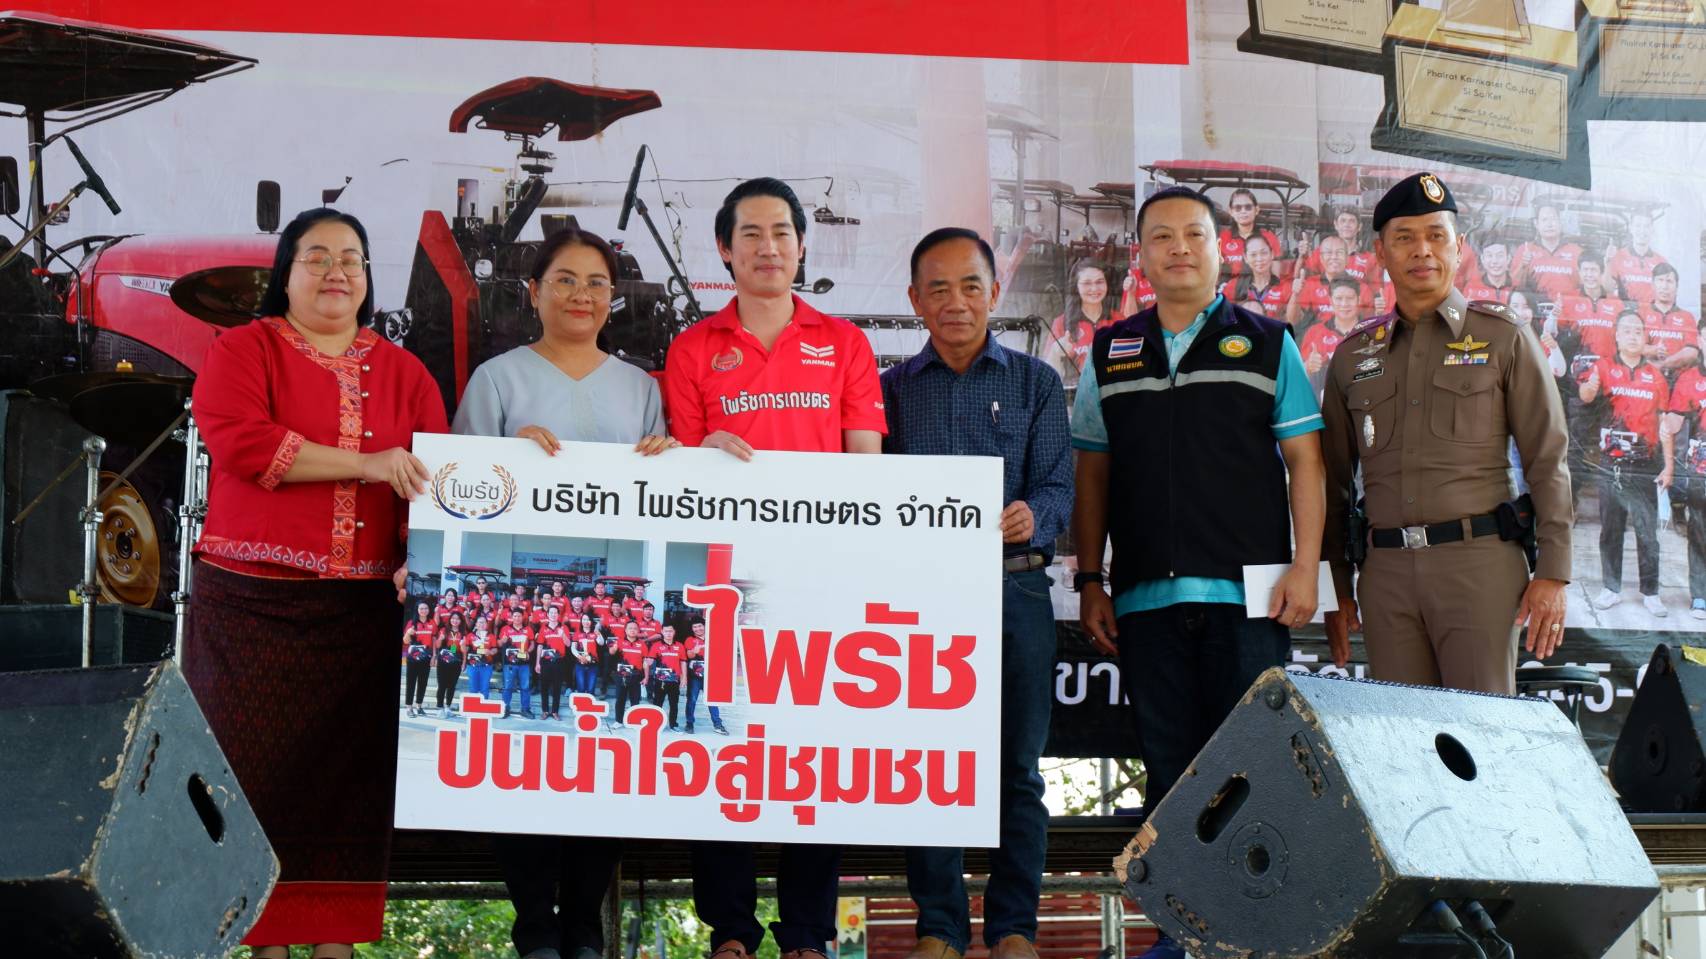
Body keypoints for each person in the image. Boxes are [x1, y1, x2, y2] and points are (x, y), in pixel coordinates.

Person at [184, 207, 448, 956]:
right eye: (318, 256)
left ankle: (335, 945)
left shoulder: (406, 372)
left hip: (363, 614)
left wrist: (419, 557)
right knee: (249, 784)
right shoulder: (243, 348)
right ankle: (261, 942)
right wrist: (367, 463)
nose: (337, 271)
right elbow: (244, 443)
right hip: (251, 606)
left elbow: (434, 481)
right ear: (286, 273)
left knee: (348, 791)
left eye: (352, 258)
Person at [1071, 187, 1324, 959]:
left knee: (1254, 774)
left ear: (1221, 250)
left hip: (1251, 601)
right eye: (1162, 237)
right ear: (1140, 256)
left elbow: (1306, 461)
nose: (1179, 247)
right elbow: (1092, 472)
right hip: (1145, 600)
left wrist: (1306, 566)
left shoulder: (1270, 342)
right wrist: (1090, 578)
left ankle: (1255, 937)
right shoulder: (1110, 350)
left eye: (1194, 235)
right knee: (1170, 777)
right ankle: (1182, 937)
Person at [664, 177, 884, 959]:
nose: (768, 247)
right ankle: (730, 929)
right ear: (724, 249)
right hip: (728, 580)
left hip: (819, 578)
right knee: (722, 738)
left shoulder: (845, 343)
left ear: (801, 244)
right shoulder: (692, 348)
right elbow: (679, 471)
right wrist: (702, 453)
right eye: (751, 234)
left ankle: (806, 933)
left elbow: (867, 469)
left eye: (782, 232)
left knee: (811, 751)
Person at [451, 225, 672, 959]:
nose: (582, 295)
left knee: (603, 755)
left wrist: (669, 457)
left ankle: (583, 921)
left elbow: (667, 498)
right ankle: (534, 924)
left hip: (603, 595)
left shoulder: (643, 389)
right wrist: (507, 459)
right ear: (533, 292)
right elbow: (460, 487)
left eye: (596, 283)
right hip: (524, 579)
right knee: (518, 760)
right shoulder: (497, 380)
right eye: (565, 280)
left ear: (614, 298)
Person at [881, 227, 1072, 959]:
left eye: (970, 286)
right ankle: (939, 926)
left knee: (1017, 770)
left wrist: (1034, 516)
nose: (955, 302)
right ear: (914, 300)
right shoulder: (892, 390)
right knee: (929, 760)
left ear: (994, 293)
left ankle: (1014, 928)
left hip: (1015, 589)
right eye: (938, 288)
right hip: (921, 597)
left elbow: (1057, 486)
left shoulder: (1035, 383)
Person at [1321, 172, 1573, 696]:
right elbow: (1333, 485)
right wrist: (1337, 586)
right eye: (1404, 238)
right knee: (1404, 736)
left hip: (1479, 568)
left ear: (1459, 247)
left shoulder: (1503, 337)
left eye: (1436, 236)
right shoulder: (1352, 356)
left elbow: (1548, 458)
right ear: (1380, 252)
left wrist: (1554, 571)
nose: (1422, 251)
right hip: (1385, 576)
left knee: (1482, 733)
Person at [1582, 311, 1672, 617]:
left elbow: (1664, 423)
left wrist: (1668, 465)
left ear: (1645, 337)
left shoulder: (1656, 377)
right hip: (1611, 464)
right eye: (1627, 331)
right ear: (1617, 336)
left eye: (1638, 331)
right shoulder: (1604, 367)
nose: (1633, 336)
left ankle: (1651, 592)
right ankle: (1611, 588)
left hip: (1645, 463)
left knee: (1647, 532)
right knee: (1611, 529)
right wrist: (1591, 386)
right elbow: (1585, 396)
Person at [1664, 351, 1706, 619]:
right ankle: (1700, 596)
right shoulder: (1689, 378)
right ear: (1700, 341)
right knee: (1699, 532)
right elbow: (1672, 423)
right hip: (1701, 470)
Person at [1046, 260, 1122, 382]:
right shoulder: (1061, 323)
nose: (1094, 288)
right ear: (1076, 287)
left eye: (1099, 282)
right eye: (1087, 283)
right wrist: (1056, 352)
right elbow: (1048, 377)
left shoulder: (1120, 321)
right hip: (1074, 392)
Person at [1286, 235, 1374, 328]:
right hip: (1316, 336)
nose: (1334, 257)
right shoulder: (1310, 284)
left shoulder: (1362, 288)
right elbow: (1293, 321)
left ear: (1347, 258)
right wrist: (1295, 295)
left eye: (1339, 252)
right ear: (1321, 258)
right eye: (1328, 253)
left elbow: (1369, 325)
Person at [1299, 277, 1366, 394]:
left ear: (1359, 300)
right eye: (1339, 298)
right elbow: (1298, 378)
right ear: (1330, 300)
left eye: (1350, 298)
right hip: (1324, 400)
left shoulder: (1371, 331)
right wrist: (1308, 366)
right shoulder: (1315, 332)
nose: (1344, 304)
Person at [1513, 203, 1583, 301]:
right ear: (1536, 224)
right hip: (1535, 307)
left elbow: (1586, 285)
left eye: (1553, 219)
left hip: (1569, 306)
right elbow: (1513, 285)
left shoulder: (1576, 251)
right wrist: (1523, 265)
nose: (1549, 224)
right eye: (1544, 220)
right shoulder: (1525, 249)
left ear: (1560, 222)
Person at [1641, 263, 1698, 375]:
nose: (1664, 286)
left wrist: (1662, 364)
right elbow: (1630, 347)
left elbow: (1692, 352)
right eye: (1660, 280)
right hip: (1647, 376)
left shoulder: (1687, 317)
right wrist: (1653, 350)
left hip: (1679, 378)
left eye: (1669, 281)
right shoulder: (1641, 313)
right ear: (1652, 285)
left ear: (1677, 287)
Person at [1606, 210, 1668, 307]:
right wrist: (1608, 261)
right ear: (1631, 228)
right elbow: (1607, 289)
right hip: (1625, 313)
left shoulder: (1661, 261)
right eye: (1638, 225)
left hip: (1651, 313)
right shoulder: (1618, 256)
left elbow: (1666, 294)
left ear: (1652, 229)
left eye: (1646, 226)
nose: (1642, 231)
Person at [1221, 233, 1290, 319]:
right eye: (1253, 255)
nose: (1259, 259)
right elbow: (1222, 316)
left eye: (1264, 253)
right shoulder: (1233, 286)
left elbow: (1292, 321)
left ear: (1272, 254)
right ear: (1246, 258)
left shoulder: (1285, 287)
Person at [1218, 188, 1280, 279]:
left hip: (1260, 286)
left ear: (1256, 210)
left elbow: (1276, 277)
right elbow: (1215, 273)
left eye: (1248, 207)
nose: (1243, 211)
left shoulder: (1269, 238)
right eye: (1238, 208)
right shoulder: (1222, 238)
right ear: (1231, 212)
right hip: (1228, 286)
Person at [684, 618, 728, 735]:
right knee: (692, 700)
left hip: (710, 674)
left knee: (712, 700)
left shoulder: (713, 637)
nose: (697, 629)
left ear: (704, 626)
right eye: (695, 627)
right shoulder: (690, 639)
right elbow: (689, 655)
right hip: (695, 675)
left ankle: (717, 724)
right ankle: (689, 724)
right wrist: (695, 651)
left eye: (700, 626)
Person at [499, 606, 536, 720]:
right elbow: (500, 643)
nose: (517, 618)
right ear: (511, 617)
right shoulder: (505, 629)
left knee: (525, 687)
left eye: (519, 616)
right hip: (509, 663)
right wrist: (503, 641)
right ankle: (505, 708)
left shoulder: (528, 629)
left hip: (524, 663)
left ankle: (525, 709)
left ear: (522, 617)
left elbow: (532, 644)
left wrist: (528, 652)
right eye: (515, 616)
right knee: (508, 687)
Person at [536, 605, 572, 721]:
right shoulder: (543, 628)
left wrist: (563, 635)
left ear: (558, 614)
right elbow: (540, 645)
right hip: (546, 661)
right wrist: (537, 663)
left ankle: (555, 711)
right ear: (547, 614)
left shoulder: (564, 627)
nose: (553, 615)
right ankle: (545, 711)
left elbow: (568, 644)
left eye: (555, 613)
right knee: (544, 687)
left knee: (557, 687)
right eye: (551, 612)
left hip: (559, 661)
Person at [648, 624, 686, 730]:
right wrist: (647, 662)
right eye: (666, 631)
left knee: (674, 703)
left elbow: (683, 662)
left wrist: (684, 677)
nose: (668, 633)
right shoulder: (656, 645)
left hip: (674, 680)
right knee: (657, 702)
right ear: (662, 632)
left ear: (674, 632)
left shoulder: (680, 646)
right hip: (660, 680)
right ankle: (654, 724)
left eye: (670, 631)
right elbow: (650, 661)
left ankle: (673, 724)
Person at [611, 619, 650, 722]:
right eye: (630, 628)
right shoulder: (619, 642)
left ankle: (634, 721)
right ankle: (618, 721)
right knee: (620, 699)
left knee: (635, 700)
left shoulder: (642, 644)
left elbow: (645, 662)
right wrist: (613, 648)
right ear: (625, 630)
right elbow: (611, 652)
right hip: (621, 675)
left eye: (635, 628)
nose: (632, 630)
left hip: (636, 676)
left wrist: (646, 677)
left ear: (638, 631)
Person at [402, 601, 435, 718]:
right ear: (417, 610)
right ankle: (409, 708)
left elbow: (434, 640)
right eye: (421, 608)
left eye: (426, 608)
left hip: (426, 658)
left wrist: (434, 656)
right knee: (411, 683)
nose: (424, 610)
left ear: (429, 610)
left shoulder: (432, 623)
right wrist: (408, 633)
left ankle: (419, 706)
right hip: (413, 658)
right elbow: (405, 641)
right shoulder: (412, 623)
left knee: (423, 683)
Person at [435, 613, 468, 716]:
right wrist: (440, 639)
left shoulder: (463, 633)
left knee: (452, 686)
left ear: (461, 621)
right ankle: (440, 708)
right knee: (442, 685)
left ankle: (448, 707)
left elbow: (464, 651)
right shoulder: (444, 630)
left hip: (456, 662)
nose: (455, 620)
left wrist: (464, 662)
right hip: (443, 661)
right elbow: (437, 646)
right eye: (453, 618)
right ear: (450, 620)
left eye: (458, 619)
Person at [467, 614, 497, 700]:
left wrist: (490, 652)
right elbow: (465, 650)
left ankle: (484, 706)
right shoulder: (470, 636)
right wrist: (459, 647)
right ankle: (473, 707)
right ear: (476, 624)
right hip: (472, 666)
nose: (482, 624)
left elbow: (495, 649)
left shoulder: (491, 636)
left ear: (487, 624)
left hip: (486, 666)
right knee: (473, 688)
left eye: (484, 622)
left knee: (485, 688)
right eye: (480, 622)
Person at [573, 611, 602, 695]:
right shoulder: (577, 633)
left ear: (591, 621)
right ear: (581, 621)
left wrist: (598, 634)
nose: (586, 622)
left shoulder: (595, 632)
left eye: (588, 619)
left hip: (593, 664)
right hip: (580, 663)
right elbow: (573, 648)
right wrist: (579, 657)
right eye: (584, 619)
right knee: (581, 688)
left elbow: (601, 643)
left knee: (591, 689)